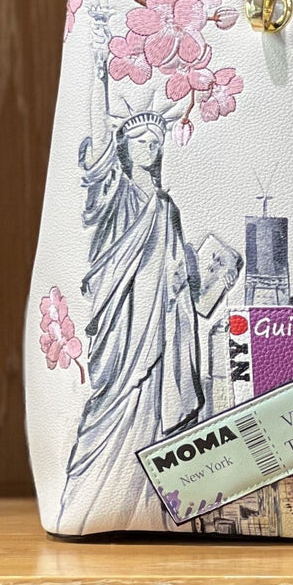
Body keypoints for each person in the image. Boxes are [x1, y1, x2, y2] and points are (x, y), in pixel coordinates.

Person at [55, 41, 202, 533]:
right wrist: (98, 77)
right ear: (124, 146)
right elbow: (98, 150)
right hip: (123, 327)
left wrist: (198, 281)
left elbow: (181, 276)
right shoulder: (116, 193)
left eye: (157, 141)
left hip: (162, 331)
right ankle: (94, 502)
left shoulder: (167, 208)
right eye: (140, 139)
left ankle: (148, 508)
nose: (151, 147)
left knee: (152, 406)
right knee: (114, 398)